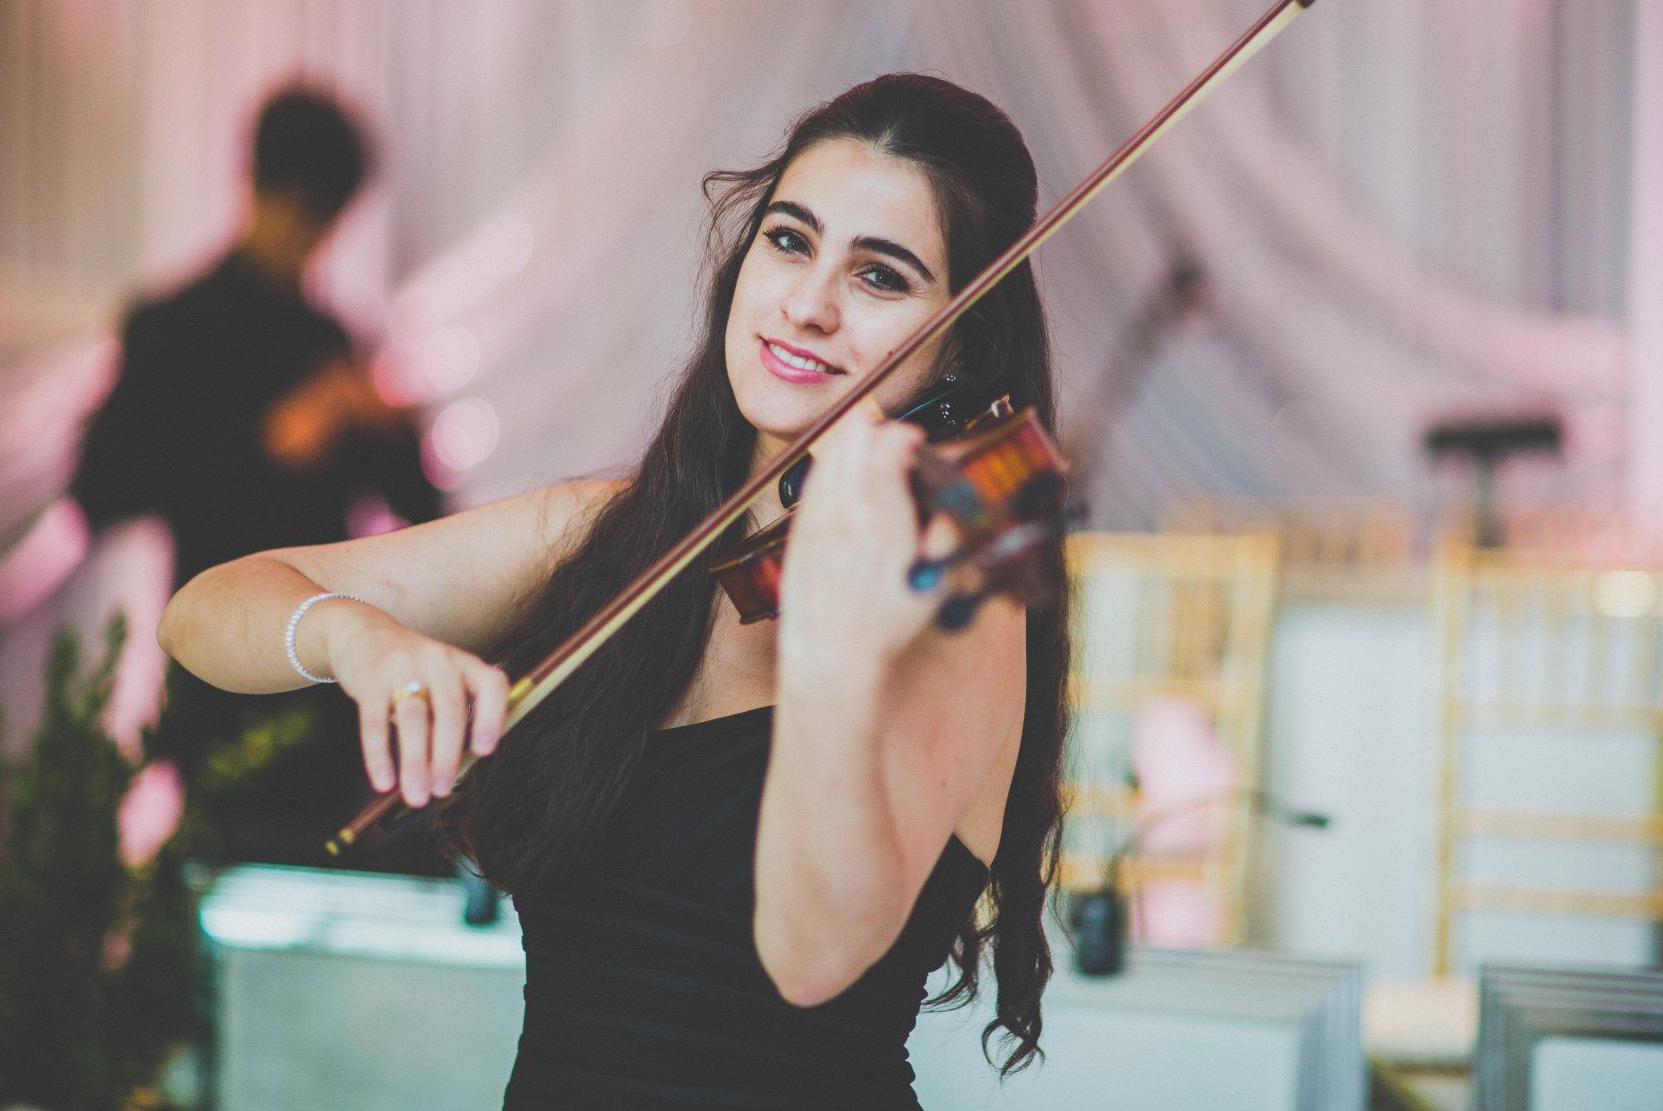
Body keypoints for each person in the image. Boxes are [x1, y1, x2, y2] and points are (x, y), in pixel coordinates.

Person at [158, 73, 1073, 1108]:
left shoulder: (961, 596)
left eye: (882, 277)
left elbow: (815, 955)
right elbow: (201, 613)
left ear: (964, 338)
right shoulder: (614, 535)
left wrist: (838, 654)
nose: (809, 304)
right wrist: (356, 640)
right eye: (789, 239)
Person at [76, 84, 442, 867]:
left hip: (328, 691)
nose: (311, 239)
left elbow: (425, 509)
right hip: (219, 677)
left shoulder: (331, 340)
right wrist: (266, 443)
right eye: (307, 214)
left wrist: (395, 427)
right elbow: (99, 489)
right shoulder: (173, 326)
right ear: (266, 190)